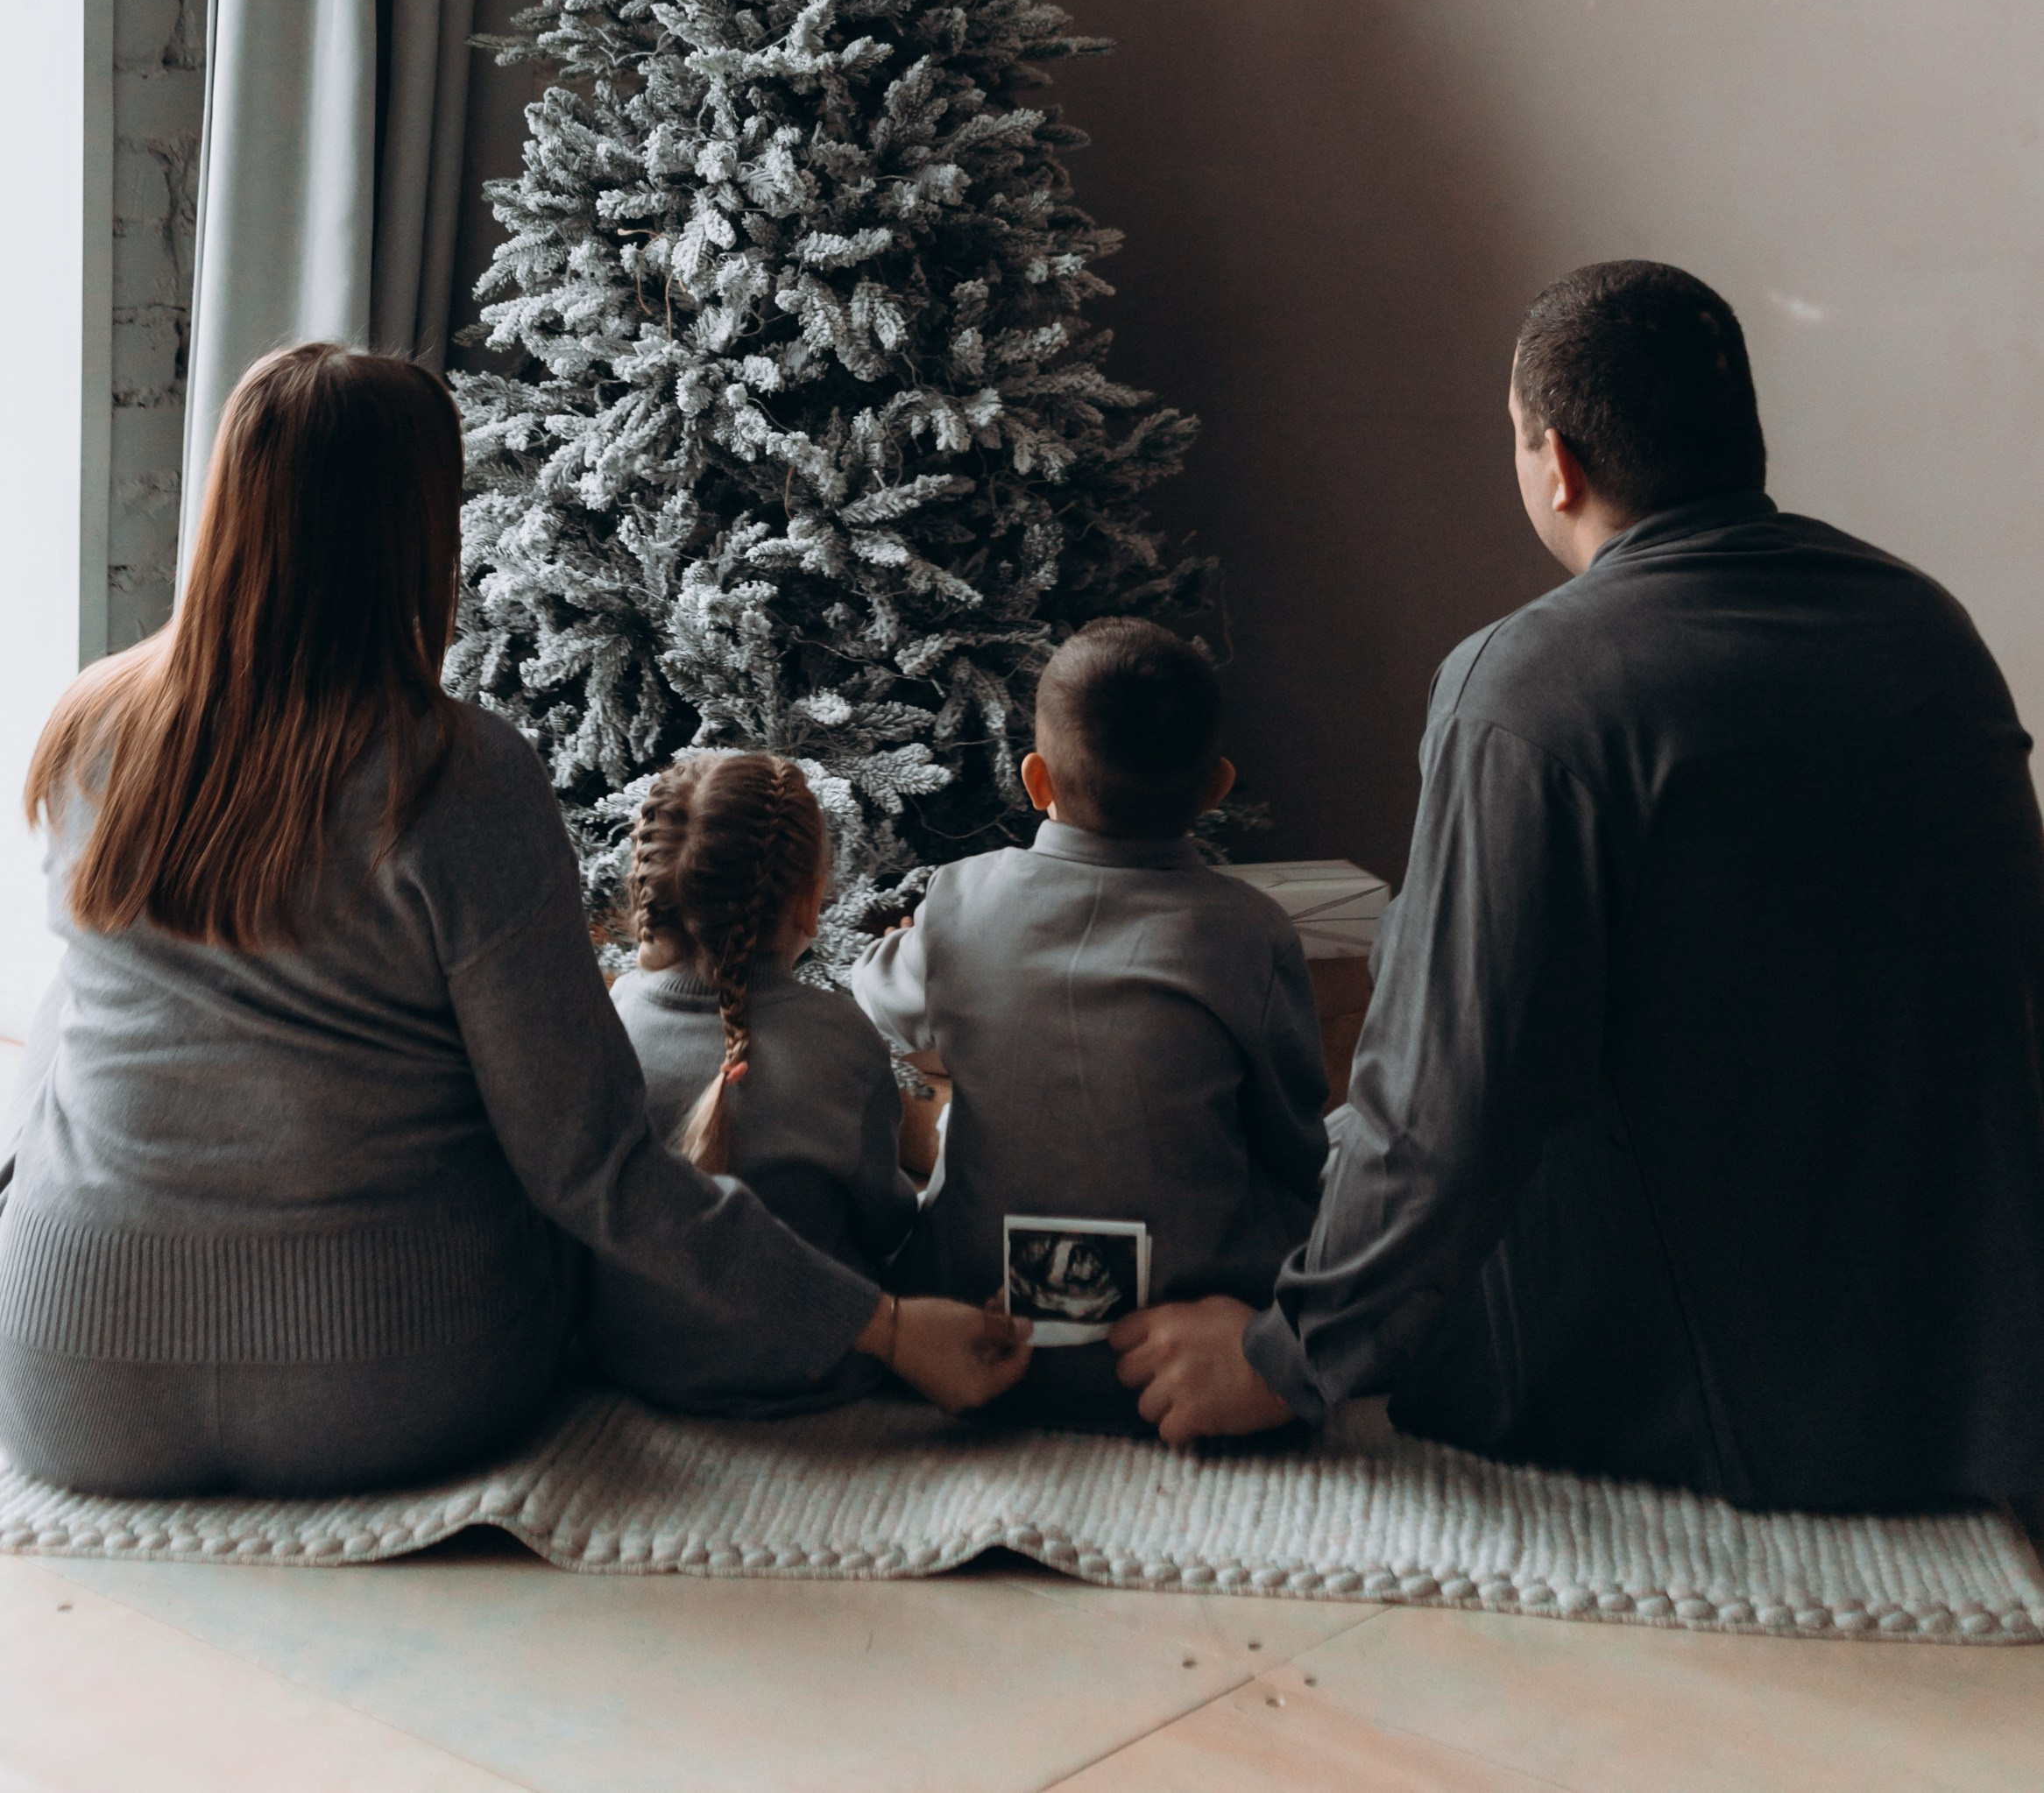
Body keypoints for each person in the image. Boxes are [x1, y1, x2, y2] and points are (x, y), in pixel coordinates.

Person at [0, 344, 1029, 1499]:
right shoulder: (457, 777)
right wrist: (884, 1327)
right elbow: (588, 1163)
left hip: (67, 1380)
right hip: (389, 1378)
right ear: (418, 530)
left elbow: (62, 1049)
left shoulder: (89, 727)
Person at [1110, 263, 2044, 1510]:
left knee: (1323, 1155)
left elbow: (1448, 1097)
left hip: (1719, 1407)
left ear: (1557, 461)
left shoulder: (1531, 689)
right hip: (1971, 1370)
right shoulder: (1925, 628)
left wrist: (1284, 1359)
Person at [852, 618, 1329, 1427]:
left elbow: (870, 1008)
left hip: (975, 1327)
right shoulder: (1250, 930)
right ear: (1216, 787)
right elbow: (1291, 1135)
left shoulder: (960, 899)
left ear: (1036, 780)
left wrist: (907, 947)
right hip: (1174, 1348)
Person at [588, 749, 920, 1412]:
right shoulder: (842, 1038)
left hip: (629, 1364)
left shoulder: (607, 1024)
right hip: (814, 1373)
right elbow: (887, 1226)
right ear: (806, 899)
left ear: (647, 889)